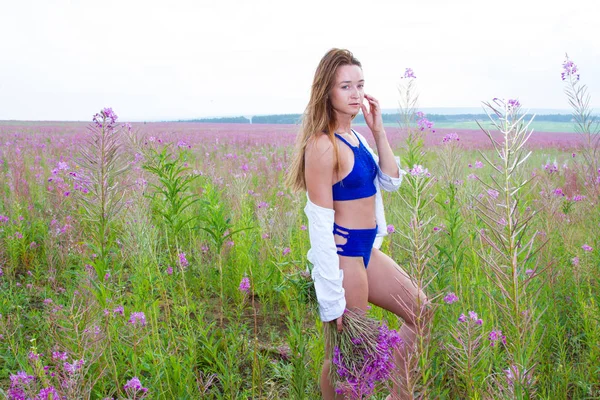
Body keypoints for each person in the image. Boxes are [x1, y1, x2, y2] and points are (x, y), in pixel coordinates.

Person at [285, 48, 430, 399]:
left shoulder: (358, 138)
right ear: (327, 92)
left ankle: (400, 393)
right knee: (349, 354)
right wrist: (332, 296)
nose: (355, 94)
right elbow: (318, 223)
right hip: (344, 255)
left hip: (367, 250)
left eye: (360, 85)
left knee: (421, 311)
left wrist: (378, 132)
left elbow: (392, 180)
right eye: (345, 86)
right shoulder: (322, 147)